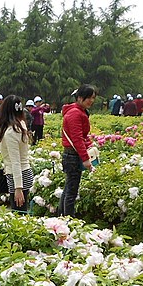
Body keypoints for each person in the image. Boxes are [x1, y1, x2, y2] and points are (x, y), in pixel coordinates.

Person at [60, 84, 97, 216]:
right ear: (80, 97)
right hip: (73, 156)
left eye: (93, 98)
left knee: (68, 189)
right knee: (71, 192)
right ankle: (68, 221)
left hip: (72, 155)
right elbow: (77, 139)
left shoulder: (77, 111)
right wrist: (86, 159)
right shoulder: (75, 113)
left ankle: (62, 218)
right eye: (89, 98)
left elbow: (81, 136)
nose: (91, 101)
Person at [0, 95, 33, 214]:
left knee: (18, 214)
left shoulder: (11, 131)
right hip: (23, 172)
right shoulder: (21, 124)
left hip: (18, 176)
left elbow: (15, 161)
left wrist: (18, 188)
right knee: (20, 213)